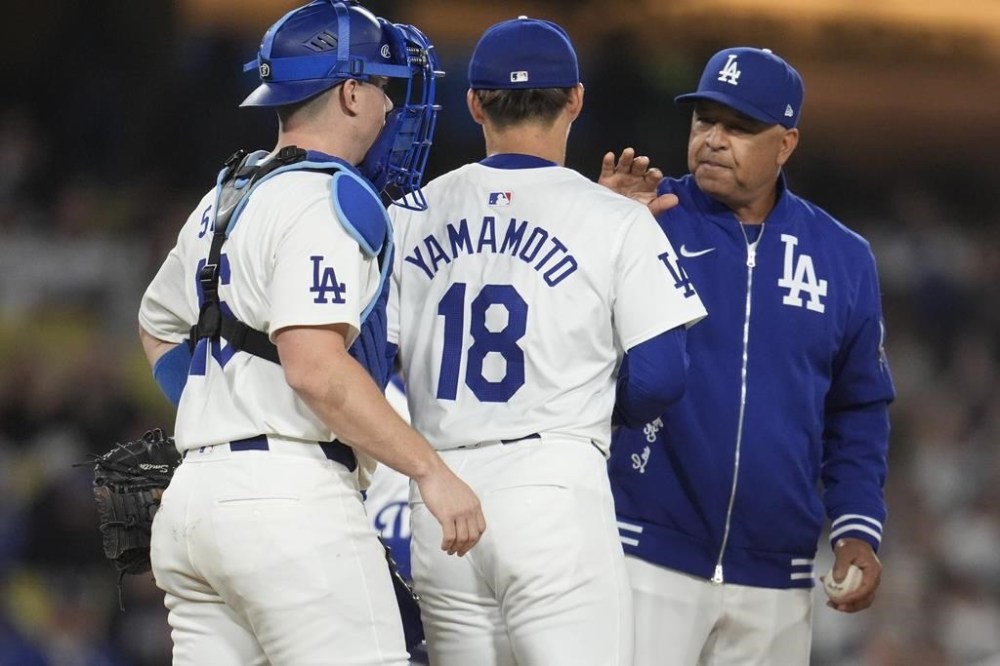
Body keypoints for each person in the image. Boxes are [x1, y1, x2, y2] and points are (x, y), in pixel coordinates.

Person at [136, 2, 486, 663]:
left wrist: (220, 423)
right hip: (287, 504)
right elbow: (314, 368)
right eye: (382, 86)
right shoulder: (326, 197)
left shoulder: (222, 197)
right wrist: (430, 472)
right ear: (351, 92)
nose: (389, 107)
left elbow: (157, 325)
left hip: (192, 508)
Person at [387, 16, 707, 666]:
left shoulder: (408, 215)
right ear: (577, 100)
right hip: (554, 486)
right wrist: (575, 395)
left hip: (443, 493)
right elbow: (660, 378)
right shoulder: (615, 217)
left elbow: (372, 362)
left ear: (474, 102)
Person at [602, 46, 896, 665]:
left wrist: (856, 527)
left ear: (785, 143)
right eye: (704, 120)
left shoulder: (842, 257)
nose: (713, 139)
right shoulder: (645, 219)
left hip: (776, 578)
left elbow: (859, 408)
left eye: (738, 127)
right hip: (643, 551)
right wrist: (598, 226)